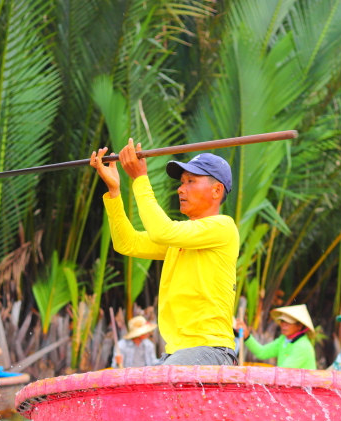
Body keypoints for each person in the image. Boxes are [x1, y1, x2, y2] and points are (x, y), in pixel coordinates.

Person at [91, 140, 238, 366]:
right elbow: (127, 243)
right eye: (181, 182)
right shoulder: (180, 237)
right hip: (179, 352)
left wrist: (140, 179)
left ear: (216, 190)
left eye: (191, 181)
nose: (181, 188)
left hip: (211, 349)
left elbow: (162, 232)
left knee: (156, 384)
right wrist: (114, 191)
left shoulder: (223, 227)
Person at [237, 305, 316, 369]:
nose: (283, 325)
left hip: (302, 388)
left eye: (288, 322)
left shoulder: (302, 346)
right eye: (282, 321)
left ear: (299, 326)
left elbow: (283, 372)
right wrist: (247, 336)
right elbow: (262, 352)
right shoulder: (283, 339)